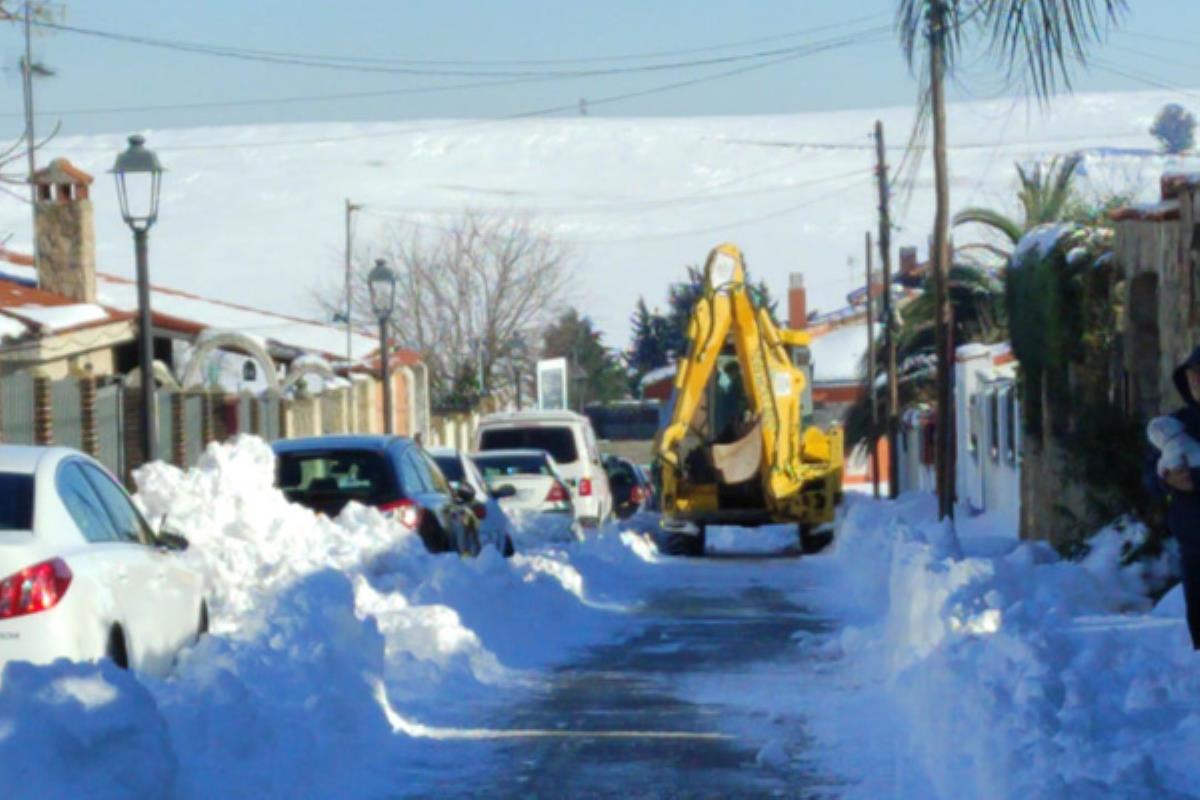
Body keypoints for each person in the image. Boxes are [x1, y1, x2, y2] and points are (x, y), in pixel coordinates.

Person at [1148, 346, 1200, 650]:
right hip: (1194, 546)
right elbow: (1150, 476)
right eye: (1192, 377)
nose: (1196, 384)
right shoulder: (1174, 427)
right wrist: (1165, 479)